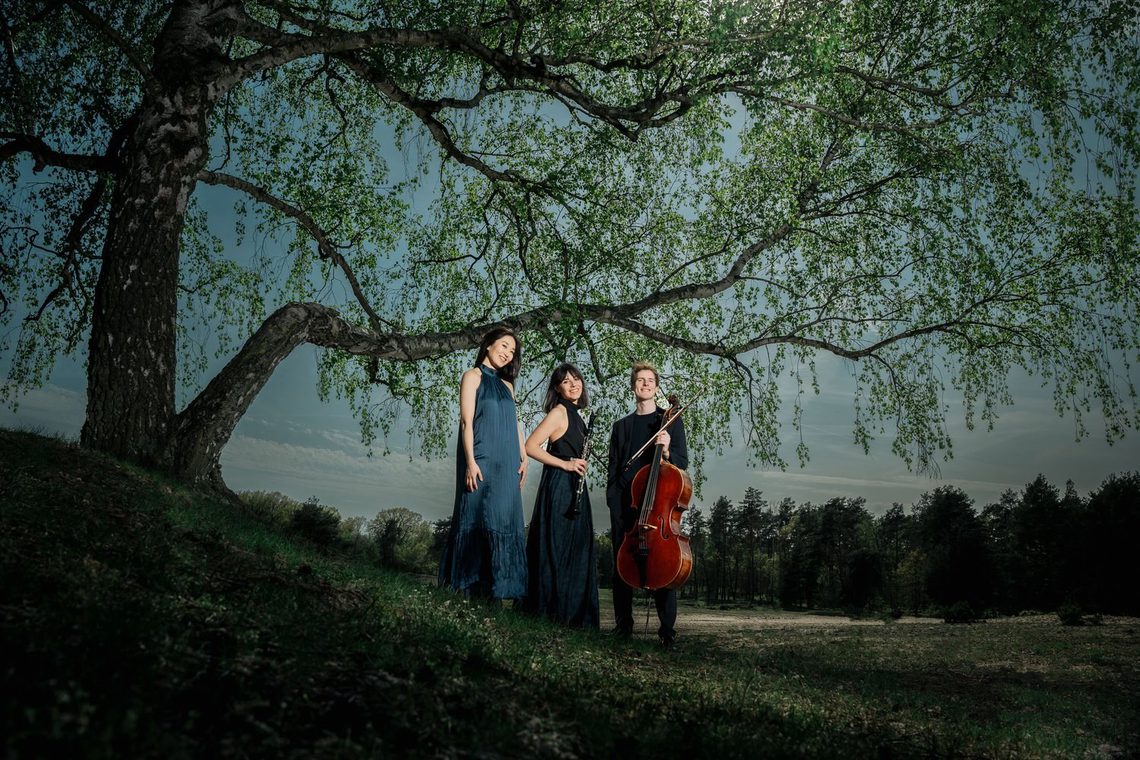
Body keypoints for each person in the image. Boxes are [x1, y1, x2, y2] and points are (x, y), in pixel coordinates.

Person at [437, 327, 529, 601]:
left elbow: (515, 423)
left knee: (502, 519)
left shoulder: (507, 385)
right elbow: (466, 421)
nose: (507, 354)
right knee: (474, 515)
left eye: (512, 351)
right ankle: (465, 587)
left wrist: (523, 456)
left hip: (508, 461)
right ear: (488, 345)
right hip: (480, 458)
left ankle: (495, 591)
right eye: (503, 346)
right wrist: (470, 462)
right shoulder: (472, 376)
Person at [606, 361, 688, 647]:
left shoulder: (669, 422)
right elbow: (613, 470)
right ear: (633, 386)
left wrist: (666, 450)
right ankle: (622, 626)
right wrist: (616, 507)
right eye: (640, 380)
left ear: (656, 385)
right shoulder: (621, 427)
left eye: (650, 380)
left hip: (658, 509)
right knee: (621, 568)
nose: (645, 384)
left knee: (664, 566)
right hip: (626, 508)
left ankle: (667, 632)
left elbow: (682, 463)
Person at [520, 363, 600, 629]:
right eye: (566, 381)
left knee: (576, 550)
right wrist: (566, 464)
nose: (574, 384)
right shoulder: (559, 411)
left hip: (574, 487)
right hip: (560, 487)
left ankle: (570, 617)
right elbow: (531, 446)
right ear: (558, 388)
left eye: (577, 378)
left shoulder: (578, 416)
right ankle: (552, 614)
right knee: (557, 549)